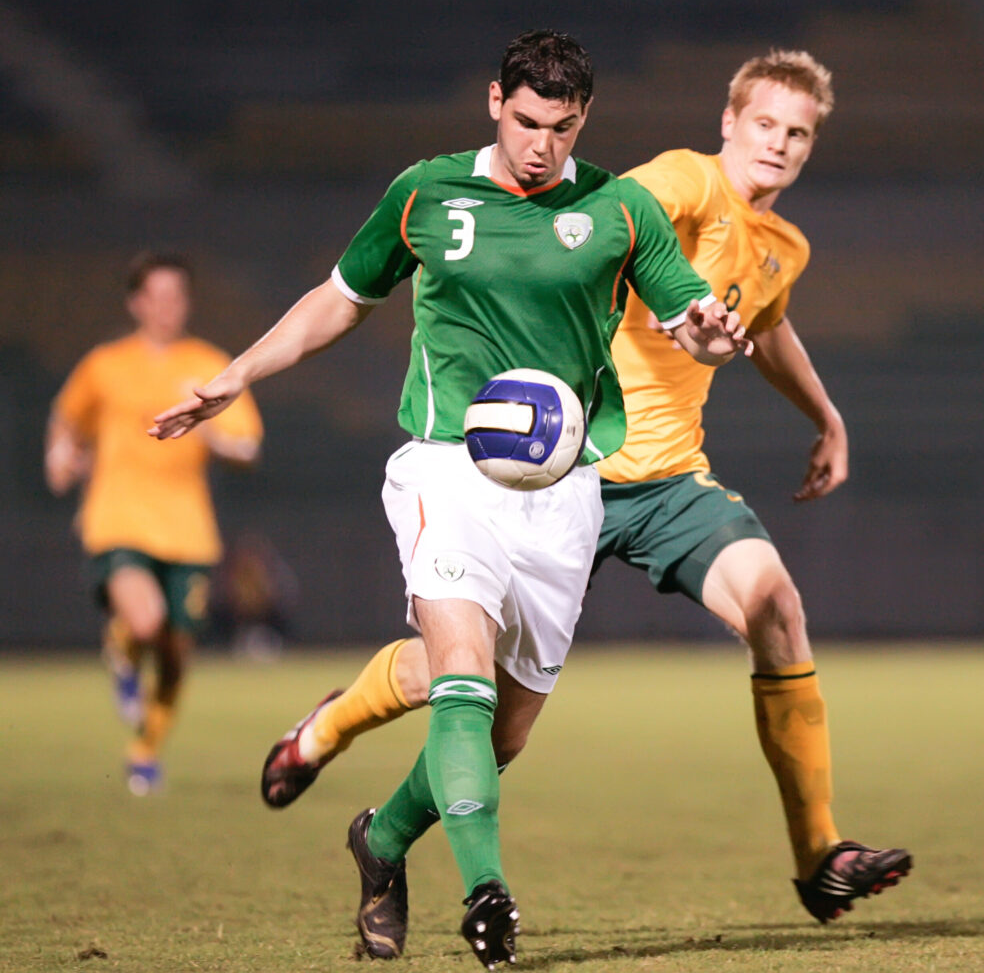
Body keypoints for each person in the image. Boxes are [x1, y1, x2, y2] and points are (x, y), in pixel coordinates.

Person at [257, 49, 912, 929]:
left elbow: (767, 324)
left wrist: (826, 417)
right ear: (729, 123)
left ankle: (819, 855)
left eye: (798, 133)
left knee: (774, 604)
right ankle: (329, 731)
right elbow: (609, 214)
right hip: (565, 468)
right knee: (463, 691)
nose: (779, 144)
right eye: (765, 123)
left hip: (670, 480)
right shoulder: (680, 183)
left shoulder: (781, 245)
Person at [150, 30, 750, 969]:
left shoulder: (621, 208)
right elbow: (342, 296)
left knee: (500, 734)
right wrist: (239, 373)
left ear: (583, 118)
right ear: (492, 102)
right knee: (461, 667)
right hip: (447, 467)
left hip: (566, 491)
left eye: (560, 126)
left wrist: (714, 333)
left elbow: (693, 325)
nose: (540, 144)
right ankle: (488, 893)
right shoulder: (427, 192)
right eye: (524, 121)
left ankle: (381, 842)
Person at [46, 251, 263, 795]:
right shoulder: (105, 364)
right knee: (145, 621)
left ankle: (145, 751)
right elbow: (67, 418)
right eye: (157, 296)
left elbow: (248, 445)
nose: (167, 307)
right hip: (117, 517)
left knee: (174, 652)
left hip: (188, 530)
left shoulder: (209, 364)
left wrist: (211, 430)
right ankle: (122, 645)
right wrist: (59, 452)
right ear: (136, 303)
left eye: (177, 296)